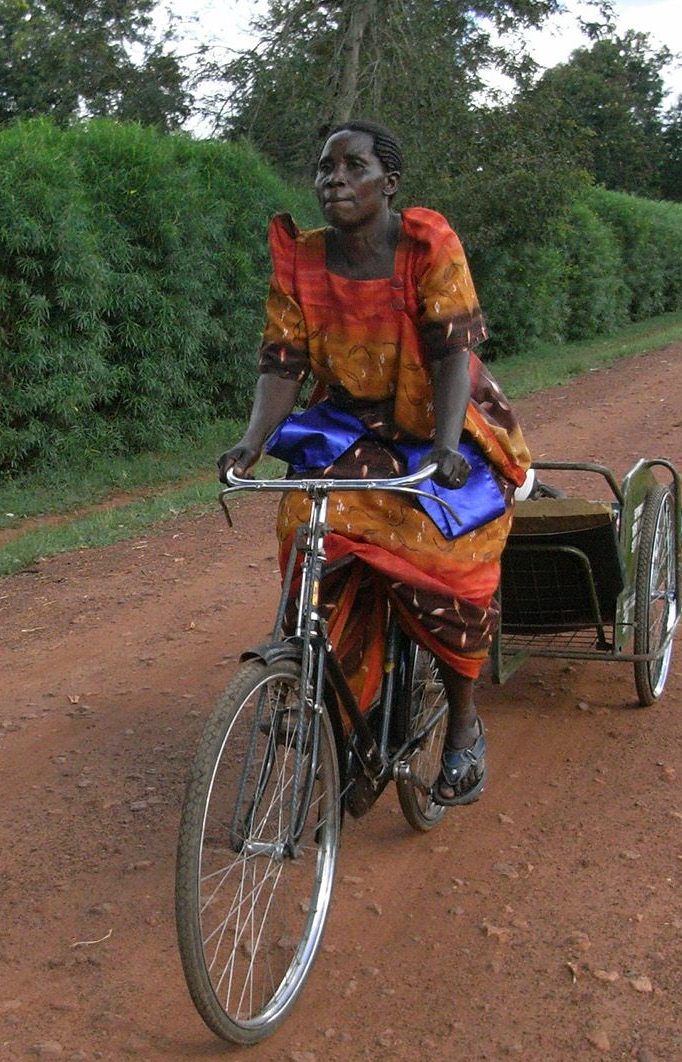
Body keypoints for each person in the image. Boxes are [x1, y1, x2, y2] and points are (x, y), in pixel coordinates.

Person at [219, 121, 531, 806]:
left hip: (439, 421)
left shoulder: (425, 245)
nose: (334, 180)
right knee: (312, 528)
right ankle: (340, 701)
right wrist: (251, 442)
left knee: (454, 561)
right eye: (325, 169)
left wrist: (447, 448)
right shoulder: (300, 259)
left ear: (388, 182)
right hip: (349, 425)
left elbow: (452, 354)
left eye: (352, 166)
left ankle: (463, 729)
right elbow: (283, 364)